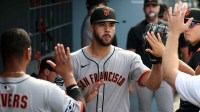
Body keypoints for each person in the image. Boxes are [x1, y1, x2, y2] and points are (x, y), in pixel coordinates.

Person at [71, 6, 163, 112]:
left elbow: (153, 84)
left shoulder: (129, 58)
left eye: (111, 25)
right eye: (101, 25)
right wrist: (84, 99)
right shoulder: (74, 60)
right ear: (92, 27)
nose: (107, 30)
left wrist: (157, 61)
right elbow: (61, 101)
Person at [0, 28, 85, 112]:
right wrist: (68, 75)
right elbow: (80, 109)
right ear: (28, 53)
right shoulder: (47, 90)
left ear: (1, 52)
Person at [126, 0, 173, 111]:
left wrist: (175, 77)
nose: (151, 9)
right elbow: (130, 57)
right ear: (143, 9)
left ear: (158, 8)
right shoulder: (135, 30)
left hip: (164, 77)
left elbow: (172, 53)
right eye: (148, 6)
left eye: (154, 6)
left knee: (167, 109)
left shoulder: (168, 28)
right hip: (144, 77)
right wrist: (130, 82)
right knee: (144, 110)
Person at [160, 1, 200, 109]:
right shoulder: (194, 48)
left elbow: (194, 80)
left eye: (191, 24)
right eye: (184, 24)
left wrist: (165, 53)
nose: (186, 28)